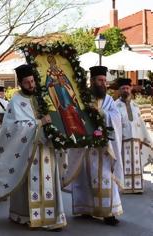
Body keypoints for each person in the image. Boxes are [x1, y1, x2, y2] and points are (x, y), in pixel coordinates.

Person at [0, 64, 66, 231]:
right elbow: (13, 127)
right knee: (28, 181)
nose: (31, 85)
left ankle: (51, 217)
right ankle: (26, 215)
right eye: (27, 83)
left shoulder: (42, 97)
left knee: (49, 180)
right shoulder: (15, 101)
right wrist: (39, 123)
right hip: (27, 151)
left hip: (46, 148)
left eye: (33, 81)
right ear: (20, 83)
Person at [63, 66, 123, 225]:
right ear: (92, 81)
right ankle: (86, 209)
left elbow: (117, 118)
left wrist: (103, 114)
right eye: (100, 80)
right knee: (84, 178)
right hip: (85, 147)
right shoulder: (82, 98)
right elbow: (73, 116)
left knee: (105, 178)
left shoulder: (109, 100)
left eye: (105, 80)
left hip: (103, 148)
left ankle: (108, 213)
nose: (103, 83)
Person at [115, 78, 153, 193]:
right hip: (122, 140)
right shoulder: (115, 106)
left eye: (127, 88)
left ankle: (136, 187)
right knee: (123, 163)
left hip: (136, 141)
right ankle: (124, 187)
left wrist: (143, 139)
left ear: (130, 89)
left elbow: (140, 124)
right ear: (119, 91)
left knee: (136, 163)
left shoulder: (136, 106)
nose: (126, 90)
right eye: (123, 88)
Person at [45, 55, 86, 136]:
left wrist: (63, 81)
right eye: (51, 62)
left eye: (53, 61)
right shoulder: (49, 72)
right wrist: (56, 82)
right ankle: (70, 133)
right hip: (59, 97)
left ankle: (81, 132)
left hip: (68, 95)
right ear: (49, 63)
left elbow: (67, 81)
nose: (53, 63)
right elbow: (48, 84)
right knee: (66, 115)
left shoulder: (60, 70)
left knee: (74, 111)